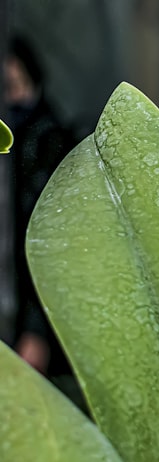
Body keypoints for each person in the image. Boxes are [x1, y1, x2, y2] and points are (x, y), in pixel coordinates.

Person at [4, 34, 72, 375]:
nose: (14, 97)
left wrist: (37, 328)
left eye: (17, 85)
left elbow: (48, 238)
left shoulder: (46, 139)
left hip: (28, 313)